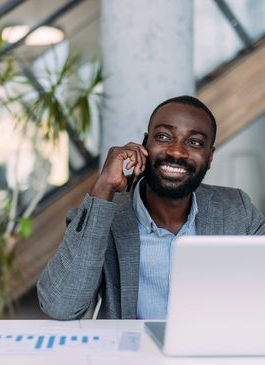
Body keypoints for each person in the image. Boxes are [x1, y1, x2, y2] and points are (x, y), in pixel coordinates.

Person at [37, 95, 265, 320]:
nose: (176, 151)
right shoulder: (103, 215)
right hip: (133, 356)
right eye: (164, 137)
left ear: (209, 156)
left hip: (212, 355)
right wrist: (103, 187)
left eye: (194, 142)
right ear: (145, 144)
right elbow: (60, 306)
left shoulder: (237, 209)